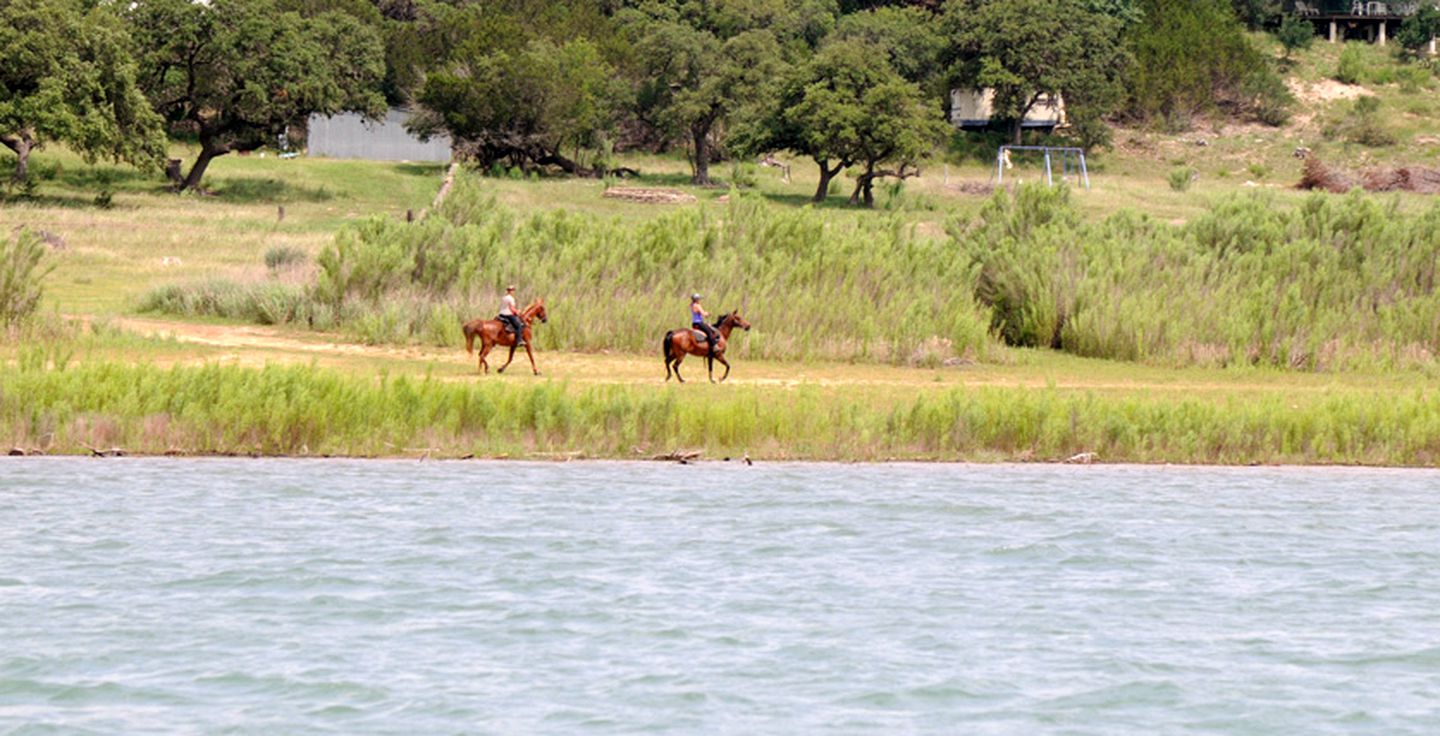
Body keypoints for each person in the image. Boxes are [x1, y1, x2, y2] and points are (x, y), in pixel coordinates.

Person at [690, 293, 718, 358]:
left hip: (695, 323)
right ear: (696, 299)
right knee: (709, 332)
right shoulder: (697, 305)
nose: (699, 300)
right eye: (699, 299)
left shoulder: (692, 305)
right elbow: (703, 314)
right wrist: (707, 314)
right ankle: (714, 346)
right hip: (699, 323)